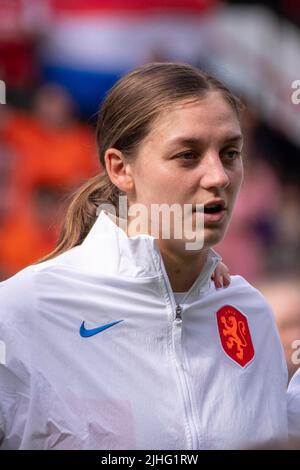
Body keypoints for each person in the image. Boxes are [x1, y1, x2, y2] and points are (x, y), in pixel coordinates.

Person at [0, 62, 288, 450]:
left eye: (230, 153)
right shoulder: (23, 312)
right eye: (188, 155)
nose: (219, 176)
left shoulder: (248, 312)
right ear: (120, 169)